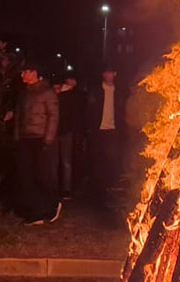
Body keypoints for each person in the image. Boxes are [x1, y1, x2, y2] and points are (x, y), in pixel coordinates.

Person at [14, 63, 61, 225]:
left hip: (40, 138)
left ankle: (52, 205)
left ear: (34, 73)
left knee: (42, 175)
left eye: (25, 72)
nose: (22, 75)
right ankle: (36, 211)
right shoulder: (24, 93)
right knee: (27, 176)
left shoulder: (47, 92)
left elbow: (53, 116)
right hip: (25, 139)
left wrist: (48, 139)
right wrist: (17, 137)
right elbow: (19, 116)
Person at [87, 67, 128, 210]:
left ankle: (110, 188)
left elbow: (122, 109)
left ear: (115, 74)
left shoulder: (120, 91)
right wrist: (90, 127)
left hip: (113, 129)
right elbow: (90, 110)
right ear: (103, 74)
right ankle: (99, 190)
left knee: (111, 158)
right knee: (98, 159)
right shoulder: (96, 91)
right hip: (98, 130)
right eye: (106, 73)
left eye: (111, 73)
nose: (108, 75)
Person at [54, 75, 84, 199]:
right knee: (57, 162)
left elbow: (75, 114)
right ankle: (58, 188)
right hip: (56, 131)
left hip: (66, 131)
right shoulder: (56, 95)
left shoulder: (74, 95)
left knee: (65, 162)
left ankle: (66, 189)